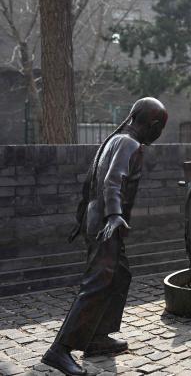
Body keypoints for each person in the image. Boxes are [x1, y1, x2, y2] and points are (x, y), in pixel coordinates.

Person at [41, 98, 168, 376]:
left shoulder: (114, 141)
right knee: (97, 283)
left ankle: (97, 338)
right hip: (106, 223)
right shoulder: (130, 144)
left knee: (120, 275)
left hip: (96, 219)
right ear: (153, 125)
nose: (158, 136)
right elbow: (112, 180)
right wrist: (113, 215)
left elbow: (90, 182)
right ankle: (59, 350)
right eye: (159, 129)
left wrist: (81, 220)